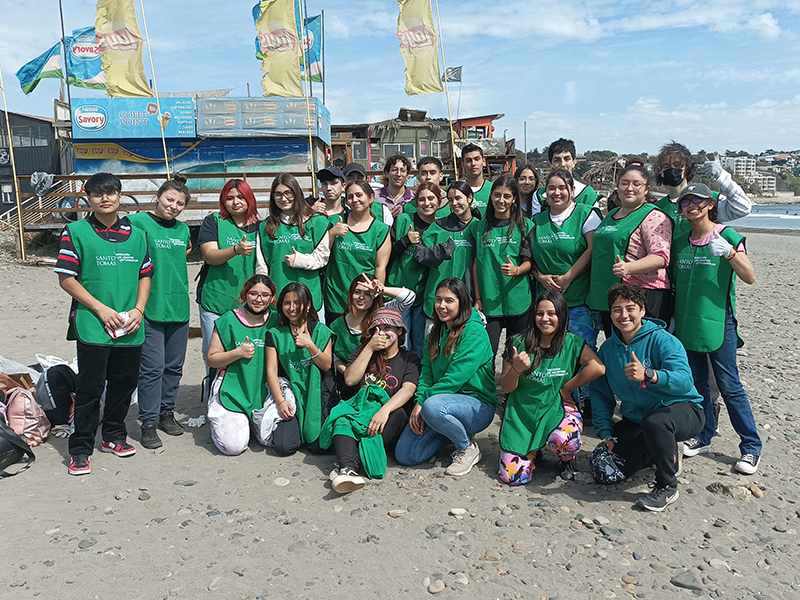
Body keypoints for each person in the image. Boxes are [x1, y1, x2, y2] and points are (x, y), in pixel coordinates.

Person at [54, 172, 152, 475]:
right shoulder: (76, 231)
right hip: (94, 323)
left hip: (130, 324)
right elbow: (66, 279)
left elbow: (144, 274)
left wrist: (139, 308)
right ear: (89, 199)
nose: (105, 198)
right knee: (91, 387)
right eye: (98, 194)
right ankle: (80, 449)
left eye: (110, 193)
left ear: (120, 196)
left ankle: (113, 436)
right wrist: (100, 309)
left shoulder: (137, 234)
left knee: (124, 384)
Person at [672, 184, 762, 474]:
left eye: (697, 200)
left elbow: (749, 277)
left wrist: (730, 254)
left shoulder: (728, 236)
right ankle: (704, 435)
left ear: (710, 204)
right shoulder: (680, 241)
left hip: (718, 321)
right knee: (698, 384)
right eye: (686, 201)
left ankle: (750, 447)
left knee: (729, 385)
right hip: (687, 320)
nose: (691, 206)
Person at [590, 284, 704, 511]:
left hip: (682, 409)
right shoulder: (608, 350)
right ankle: (667, 454)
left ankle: (667, 486)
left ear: (642, 310)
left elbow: (684, 382)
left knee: (656, 422)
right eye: (616, 310)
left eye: (630, 308)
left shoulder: (663, 340)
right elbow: (601, 395)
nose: (623, 315)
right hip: (637, 419)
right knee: (604, 468)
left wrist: (651, 375)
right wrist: (605, 434)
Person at [498, 292, 605, 484]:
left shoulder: (572, 343)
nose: (545, 319)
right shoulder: (518, 343)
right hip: (523, 411)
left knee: (566, 440)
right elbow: (506, 387)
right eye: (540, 314)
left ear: (562, 316)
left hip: (556, 406)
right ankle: (533, 451)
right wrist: (516, 369)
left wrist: (568, 386)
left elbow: (598, 367)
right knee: (513, 477)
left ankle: (566, 459)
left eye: (551, 313)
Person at [395, 278, 496, 476]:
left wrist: (423, 402)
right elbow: (426, 373)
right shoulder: (435, 333)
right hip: (442, 403)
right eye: (438, 299)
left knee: (433, 407)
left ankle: (467, 447)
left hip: (477, 406)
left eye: (449, 301)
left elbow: (456, 377)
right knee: (406, 454)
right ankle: (453, 431)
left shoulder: (474, 332)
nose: (442, 306)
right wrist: (420, 399)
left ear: (462, 302)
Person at [324, 307, 421, 493]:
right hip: (361, 413)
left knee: (399, 413)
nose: (382, 333)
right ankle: (349, 469)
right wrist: (369, 348)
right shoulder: (362, 352)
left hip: (387, 418)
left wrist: (384, 411)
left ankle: (348, 462)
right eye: (378, 329)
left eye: (388, 328)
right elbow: (350, 379)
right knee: (342, 415)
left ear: (400, 331)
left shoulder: (409, 359)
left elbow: (408, 390)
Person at [529, 169, 602, 418]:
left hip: (578, 301)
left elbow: (593, 249)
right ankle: (557, 400)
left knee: (584, 353)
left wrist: (569, 276)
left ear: (572, 190)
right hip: (547, 304)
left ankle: (589, 403)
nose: (557, 192)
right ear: (544, 194)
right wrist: (540, 276)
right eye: (551, 188)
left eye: (562, 188)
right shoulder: (536, 222)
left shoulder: (585, 215)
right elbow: (527, 257)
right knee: (552, 355)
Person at [128, 175, 192, 449]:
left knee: (174, 367)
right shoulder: (138, 222)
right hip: (150, 306)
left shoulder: (183, 230)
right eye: (169, 199)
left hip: (178, 305)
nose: (173, 206)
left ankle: (167, 412)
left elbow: (185, 252)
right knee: (151, 368)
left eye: (180, 203)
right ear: (158, 197)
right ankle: (149, 422)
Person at [588, 164, 673, 337]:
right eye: (625, 183)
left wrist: (629, 268)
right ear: (618, 186)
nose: (630, 188)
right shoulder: (611, 215)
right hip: (612, 294)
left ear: (646, 189)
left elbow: (661, 257)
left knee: (642, 348)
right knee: (616, 346)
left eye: (636, 184)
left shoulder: (654, 216)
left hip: (644, 295)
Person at [205, 275, 279, 455]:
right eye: (253, 293)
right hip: (233, 392)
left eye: (264, 295)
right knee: (233, 447)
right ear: (245, 294)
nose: (259, 299)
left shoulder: (278, 320)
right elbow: (212, 359)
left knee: (274, 441)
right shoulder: (228, 320)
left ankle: (250, 425)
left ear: (272, 298)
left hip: (265, 394)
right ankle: (219, 417)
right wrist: (237, 353)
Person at [265, 282, 335, 455]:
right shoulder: (275, 334)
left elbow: (326, 365)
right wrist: (280, 402)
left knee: (320, 446)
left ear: (309, 304)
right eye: (287, 303)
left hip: (316, 392)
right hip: (290, 394)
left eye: (297, 303)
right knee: (283, 447)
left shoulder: (321, 331)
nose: (292, 308)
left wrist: (310, 345)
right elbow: (271, 371)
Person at [197, 179, 260, 371]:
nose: (236, 202)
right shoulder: (214, 221)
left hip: (249, 304)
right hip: (215, 301)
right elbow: (210, 256)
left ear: (250, 199)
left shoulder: (262, 227)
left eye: (241, 197)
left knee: (247, 355)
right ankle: (213, 398)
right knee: (215, 356)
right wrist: (235, 249)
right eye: (230, 198)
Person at [473, 174, 534, 355]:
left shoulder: (525, 225)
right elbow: (476, 264)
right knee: (487, 351)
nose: (501, 200)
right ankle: (486, 384)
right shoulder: (479, 227)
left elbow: (528, 263)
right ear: (490, 196)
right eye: (497, 195)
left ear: (514, 198)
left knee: (514, 353)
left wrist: (517, 270)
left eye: (507, 196)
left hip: (518, 299)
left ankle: (511, 384)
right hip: (489, 301)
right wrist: (477, 297)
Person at [329, 274, 415, 393]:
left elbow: (409, 297)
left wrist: (382, 290)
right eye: (357, 292)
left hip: (384, 379)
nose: (361, 297)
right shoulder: (336, 325)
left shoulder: (383, 314)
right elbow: (334, 357)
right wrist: (350, 372)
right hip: (353, 382)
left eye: (368, 293)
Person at [259, 174, 330, 317]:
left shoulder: (317, 221)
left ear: (296, 193)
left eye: (288, 193)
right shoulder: (265, 226)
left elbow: (322, 257)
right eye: (278, 194)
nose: (283, 198)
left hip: (310, 297)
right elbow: (262, 265)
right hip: (279, 298)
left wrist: (300, 260)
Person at [324, 181, 391, 323]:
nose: (355, 200)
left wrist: (375, 295)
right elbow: (321, 256)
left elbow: (380, 267)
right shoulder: (335, 222)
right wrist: (331, 235)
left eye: (359, 195)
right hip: (336, 297)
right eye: (350, 196)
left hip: (364, 299)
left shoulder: (381, 230)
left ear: (371, 197)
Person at [654, 141, 751, 238]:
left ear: (687, 168)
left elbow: (743, 208)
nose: (672, 169)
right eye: (666, 166)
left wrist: (721, 176)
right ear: (661, 172)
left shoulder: (708, 198)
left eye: (677, 165)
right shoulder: (657, 208)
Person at [387, 182, 441, 356]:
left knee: (419, 344)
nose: (427, 203)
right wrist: (405, 241)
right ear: (416, 202)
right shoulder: (404, 220)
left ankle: (415, 380)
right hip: (397, 293)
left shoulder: (439, 227)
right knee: (399, 343)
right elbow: (388, 253)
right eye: (422, 199)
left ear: (439, 201)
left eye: (431, 198)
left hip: (420, 296)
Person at [414, 181, 479, 324]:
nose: (454, 203)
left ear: (470, 198)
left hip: (466, 299)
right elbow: (420, 255)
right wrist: (442, 250)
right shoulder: (437, 226)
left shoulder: (478, 227)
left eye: (458, 198)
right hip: (437, 302)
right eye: (450, 200)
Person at [535, 138, 599, 209]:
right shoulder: (539, 195)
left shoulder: (588, 194)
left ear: (574, 162)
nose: (562, 164)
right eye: (557, 160)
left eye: (567, 159)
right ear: (550, 164)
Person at [376, 153, 414, 218]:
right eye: (394, 170)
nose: (398, 174)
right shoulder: (375, 197)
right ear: (386, 173)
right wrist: (384, 217)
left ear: (407, 176)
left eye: (402, 170)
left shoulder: (413, 197)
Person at [460, 143, 491, 216]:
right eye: (468, 160)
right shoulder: (455, 189)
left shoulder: (493, 189)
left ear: (483, 162)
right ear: (463, 164)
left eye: (476, 159)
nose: (473, 163)